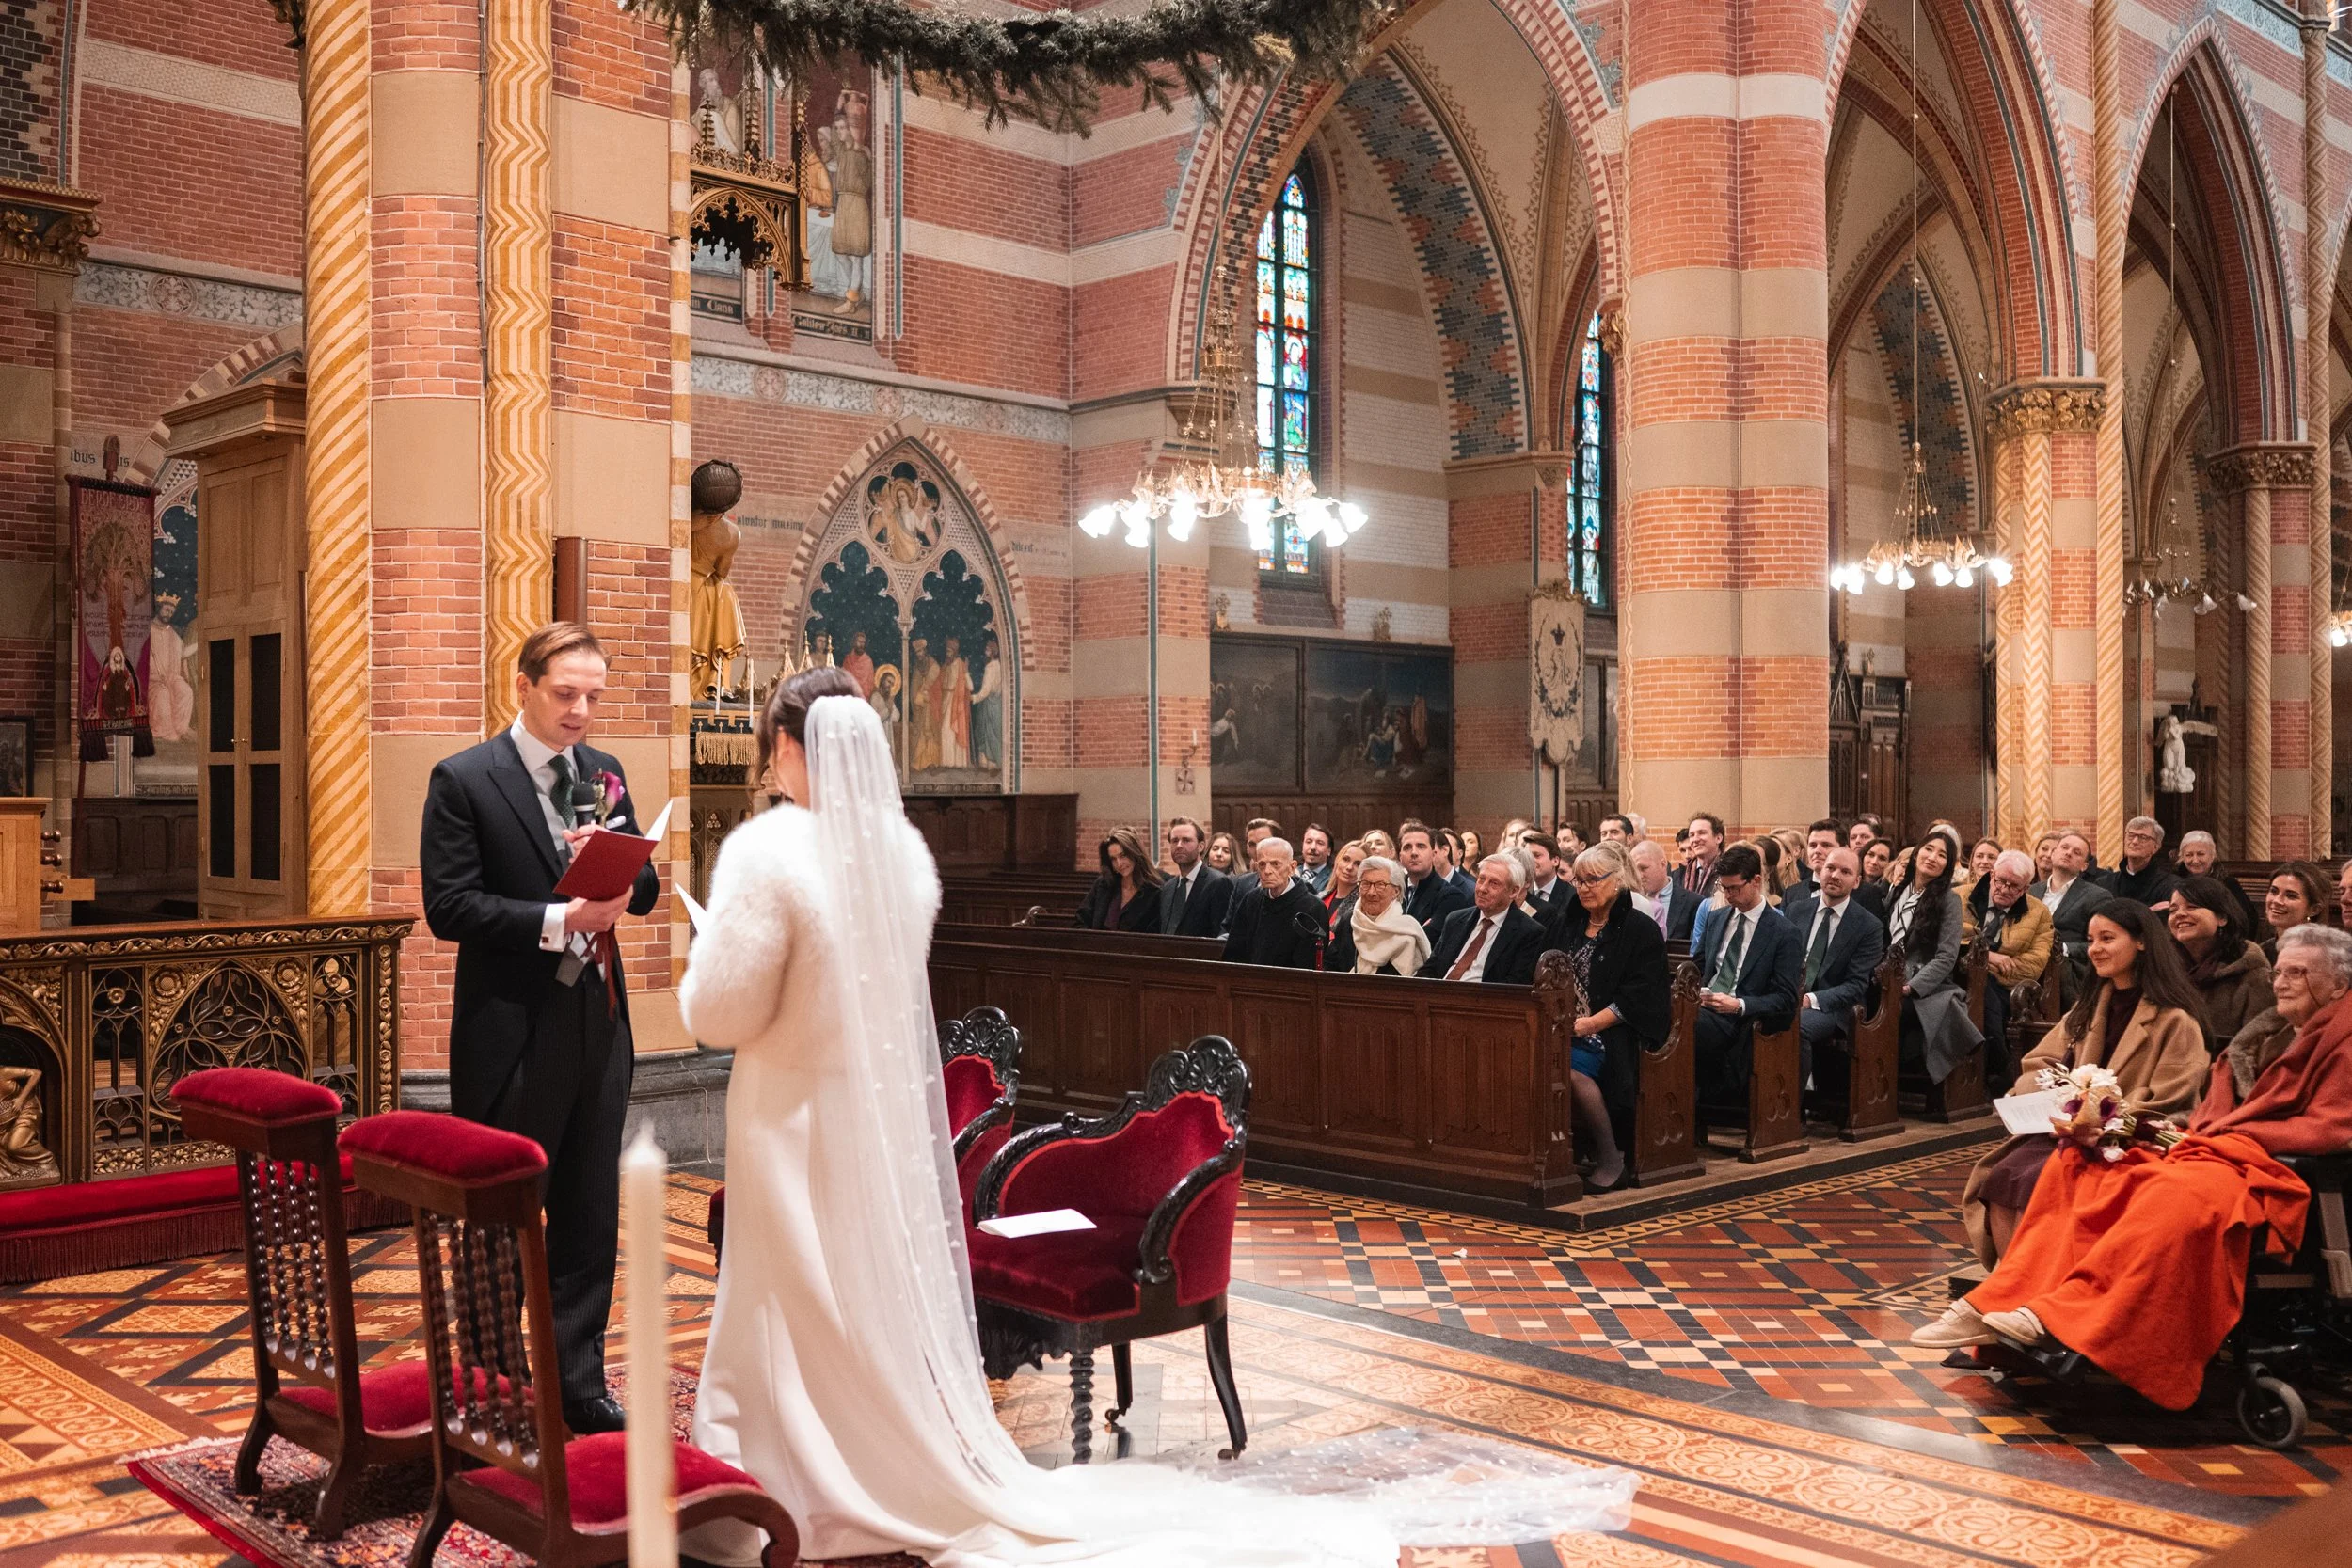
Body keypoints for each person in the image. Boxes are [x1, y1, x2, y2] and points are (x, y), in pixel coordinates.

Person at [678, 680, 1411, 1568]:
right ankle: (871, 1454)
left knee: (782, 1297)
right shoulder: (901, 858)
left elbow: (720, 1012)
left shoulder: (772, 853)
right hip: (866, 1121)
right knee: (852, 1293)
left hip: (788, 1115)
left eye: (773, 746)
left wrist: (702, 951)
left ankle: (783, 1475)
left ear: (797, 746)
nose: (769, 765)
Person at [1910, 924, 2352, 1414]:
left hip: (2273, 1172)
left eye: (2300, 973)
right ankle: (1999, 1300)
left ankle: (2062, 1315)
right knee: (2077, 1164)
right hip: (2214, 1152)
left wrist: (2222, 1138)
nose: (2282, 981)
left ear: (2339, 984)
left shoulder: (2343, 1038)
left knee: (2171, 1193)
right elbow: (2213, 1113)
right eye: (2282, 971)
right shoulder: (2269, 1033)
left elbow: (2334, 1129)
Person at [420, 622, 662, 1435]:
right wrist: (562, 916)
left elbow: (649, 883)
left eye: (593, 695)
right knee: (501, 1216)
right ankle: (493, 1385)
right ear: (521, 684)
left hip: (598, 1022)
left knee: (591, 1212)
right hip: (512, 1031)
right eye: (566, 694)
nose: (581, 710)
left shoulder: (605, 773)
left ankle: (577, 1380)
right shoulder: (464, 780)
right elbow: (449, 906)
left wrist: (624, 866)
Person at [1951, 898, 2209, 1268]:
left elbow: (2172, 1097)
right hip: (2066, 1129)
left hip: (2124, 1138)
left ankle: (2039, 1288)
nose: (2095, 949)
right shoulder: (2090, 1006)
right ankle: (2011, 1285)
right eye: (2090, 940)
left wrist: (2102, 1117)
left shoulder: (2175, 1020)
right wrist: (2050, 1095)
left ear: (2141, 942)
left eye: (2107, 938)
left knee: (2039, 1179)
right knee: (2001, 1176)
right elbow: (2039, 1062)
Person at [1554, 847, 1672, 1191]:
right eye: (1579, 880)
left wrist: (1591, 1024)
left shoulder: (1639, 929)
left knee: (1568, 1069)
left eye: (1593, 879)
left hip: (1615, 1032)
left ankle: (1612, 1156)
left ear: (1617, 881)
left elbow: (1642, 995)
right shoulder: (1569, 922)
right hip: (1565, 1026)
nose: (1584, 887)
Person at [1691, 844, 1802, 1110]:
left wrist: (1739, 1005)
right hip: (1705, 1005)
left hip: (1739, 1018)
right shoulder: (1717, 919)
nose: (1727, 895)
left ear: (1756, 881)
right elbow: (1699, 967)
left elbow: (1786, 999)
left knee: (1684, 1028)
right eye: (1723, 888)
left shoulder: (1783, 932)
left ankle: (1685, 1106)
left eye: (1734, 888)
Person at [1776, 847, 1887, 1083]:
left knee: (1796, 1027)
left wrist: (1809, 1001)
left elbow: (1856, 985)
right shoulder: (1797, 910)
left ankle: (1788, 1108)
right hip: (1790, 997)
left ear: (1856, 882)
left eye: (1845, 872)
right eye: (1830, 868)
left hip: (1835, 1007)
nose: (1835, 875)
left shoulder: (1868, 926)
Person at [1885, 829, 1981, 1087]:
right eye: (1929, 849)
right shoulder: (1898, 890)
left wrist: (1910, 987)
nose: (1932, 857)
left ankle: (1885, 1084)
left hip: (1921, 986)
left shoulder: (1948, 900)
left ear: (1947, 866)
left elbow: (1946, 957)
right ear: (1917, 853)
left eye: (1942, 856)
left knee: (1885, 1015)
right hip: (1885, 976)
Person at [1973, 850, 2055, 1082]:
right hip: (1956, 975)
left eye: (2014, 886)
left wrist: (1983, 969)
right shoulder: (1960, 897)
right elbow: (1949, 943)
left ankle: (1994, 1069)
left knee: (1985, 991)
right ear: (1991, 876)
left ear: (2026, 889)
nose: (2004, 889)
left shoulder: (2038, 912)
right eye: (2000, 881)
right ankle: (2001, 1067)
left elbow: (2034, 965)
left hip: (2003, 986)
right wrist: (1989, 957)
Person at [2169, 875, 2272, 1051]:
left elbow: (2258, 1048)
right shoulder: (2166, 969)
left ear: (2222, 917)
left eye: (2192, 906)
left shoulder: (2253, 974)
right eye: (2173, 910)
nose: (2179, 914)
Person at [1419, 854, 1546, 985]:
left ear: (1513, 891)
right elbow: (1430, 969)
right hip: (1437, 997)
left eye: (1494, 883)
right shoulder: (1455, 920)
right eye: (1481, 879)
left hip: (1482, 1001)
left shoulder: (1529, 933)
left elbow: (1512, 988)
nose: (1482, 889)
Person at [1222, 836, 1327, 969]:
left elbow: (1309, 963)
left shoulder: (1313, 908)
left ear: (1292, 867)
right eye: (1262, 864)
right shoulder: (1251, 900)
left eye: (1275, 864)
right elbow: (1234, 953)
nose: (1267, 871)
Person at [2032, 831, 2114, 1001]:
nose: (2068, 853)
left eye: (2077, 853)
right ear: (2054, 853)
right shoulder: (2031, 892)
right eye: (2064, 848)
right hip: (2027, 966)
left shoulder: (2097, 896)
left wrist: (2063, 949)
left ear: (2084, 865)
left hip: (2067, 972)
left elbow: (2104, 943)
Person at [1327, 855, 1428, 975]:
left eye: (1380, 885)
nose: (1371, 892)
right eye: (1365, 884)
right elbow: (1329, 964)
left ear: (1396, 891)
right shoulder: (1349, 921)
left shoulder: (1406, 933)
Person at [1073, 828, 1164, 932]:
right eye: (1113, 859)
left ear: (1135, 853)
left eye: (1123, 855)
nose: (1119, 864)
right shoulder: (1103, 884)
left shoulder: (1154, 891)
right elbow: (1080, 921)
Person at [1157, 816, 1232, 937]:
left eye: (1186, 840)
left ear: (1201, 846)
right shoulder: (1168, 888)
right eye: (1175, 841)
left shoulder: (1217, 883)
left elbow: (1221, 935)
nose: (1179, 845)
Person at [1398, 819, 1470, 940]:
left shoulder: (1451, 896)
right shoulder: (1392, 890)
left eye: (1421, 846)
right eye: (1407, 848)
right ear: (1400, 857)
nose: (1414, 853)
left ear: (1433, 854)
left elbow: (1430, 942)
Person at [2173, 830, 2253, 929]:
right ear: (2182, 858)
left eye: (2201, 854)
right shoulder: (2174, 882)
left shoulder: (2227, 883)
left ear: (2212, 856)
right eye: (2189, 855)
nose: (2195, 860)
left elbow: (2245, 918)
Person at [2101, 816, 2179, 907]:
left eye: (2143, 837)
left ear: (2156, 847)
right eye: (2131, 835)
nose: (2134, 841)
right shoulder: (2104, 883)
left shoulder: (2170, 885)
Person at [1629, 839, 1696, 943]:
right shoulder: (1629, 901)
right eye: (1634, 870)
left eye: (1643, 868)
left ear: (1663, 864)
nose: (1639, 875)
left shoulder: (1693, 903)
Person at [2263, 863, 2328, 961]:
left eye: (2291, 896)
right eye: (2274, 891)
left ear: (2314, 909)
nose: (2277, 901)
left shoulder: (2326, 955)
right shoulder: (2261, 953)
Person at [1520, 832, 1567, 922]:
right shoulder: (1521, 892)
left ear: (1555, 861)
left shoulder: (1570, 896)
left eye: (1537, 855)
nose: (1531, 860)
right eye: (1528, 856)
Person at [1679, 815, 1724, 899]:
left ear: (1718, 838)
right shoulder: (1679, 875)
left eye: (1702, 833)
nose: (1695, 839)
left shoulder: (1729, 872)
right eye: (1692, 835)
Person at [1799, 818, 1842, 894]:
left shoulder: (1864, 893)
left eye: (1826, 845)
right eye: (1813, 845)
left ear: (1844, 849)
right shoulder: (1791, 894)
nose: (1817, 851)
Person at [1323, 838, 1365, 913]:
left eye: (1357, 864)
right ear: (1337, 860)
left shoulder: (1362, 906)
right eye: (1346, 859)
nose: (1349, 867)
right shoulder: (1321, 897)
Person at [1296, 823, 1335, 894]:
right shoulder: (1291, 873)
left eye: (1320, 843)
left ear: (1329, 850)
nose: (1313, 847)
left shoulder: (1334, 878)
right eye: (1309, 842)